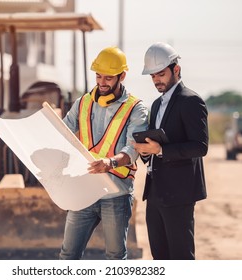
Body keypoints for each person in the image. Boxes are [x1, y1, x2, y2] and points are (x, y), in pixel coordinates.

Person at [59, 46, 149, 260]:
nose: (102, 82)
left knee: (115, 257)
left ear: (122, 76)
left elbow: (132, 150)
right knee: (68, 255)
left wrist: (110, 163)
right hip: (84, 190)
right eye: (98, 76)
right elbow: (62, 133)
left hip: (116, 194)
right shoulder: (83, 103)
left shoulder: (136, 109)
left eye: (108, 78)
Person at [132, 42, 209, 260]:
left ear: (176, 69)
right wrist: (147, 152)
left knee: (181, 257)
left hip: (179, 193)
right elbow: (156, 146)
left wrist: (162, 150)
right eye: (153, 76)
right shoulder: (156, 104)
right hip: (155, 192)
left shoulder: (191, 101)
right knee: (160, 258)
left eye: (161, 74)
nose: (157, 80)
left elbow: (200, 146)